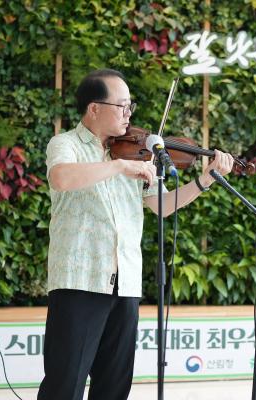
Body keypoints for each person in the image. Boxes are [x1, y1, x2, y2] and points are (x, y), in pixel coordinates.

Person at [37, 68, 234, 400]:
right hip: (80, 280)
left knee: (114, 386)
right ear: (94, 108)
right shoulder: (66, 144)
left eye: (131, 107)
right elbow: (61, 178)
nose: (129, 115)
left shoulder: (138, 152)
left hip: (125, 281)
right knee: (64, 384)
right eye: (122, 106)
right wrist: (118, 167)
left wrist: (205, 180)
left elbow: (162, 206)